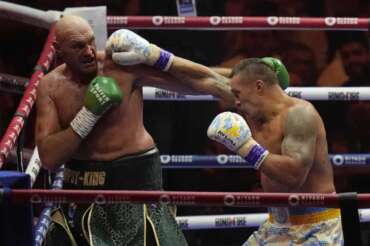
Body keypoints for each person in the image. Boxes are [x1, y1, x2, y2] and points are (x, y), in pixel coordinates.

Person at [35, 15, 234, 246]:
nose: (89, 52)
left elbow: (197, 81)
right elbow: (49, 157)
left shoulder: (119, 67)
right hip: (82, 188)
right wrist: (87, 116)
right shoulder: (50, 86)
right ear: (59, 50)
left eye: (91, 42)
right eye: (78, 46)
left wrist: (156, 55)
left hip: (136, 177)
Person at [206, 58, 343, 245]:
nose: (235, 102)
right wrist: (158, 57)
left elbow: (293, 176)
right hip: (277, 223)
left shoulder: (299, 114)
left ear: (259, 86)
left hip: (318, 225)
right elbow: (202, 79)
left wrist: (245, 147)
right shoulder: (253, 110)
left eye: (237, 94)